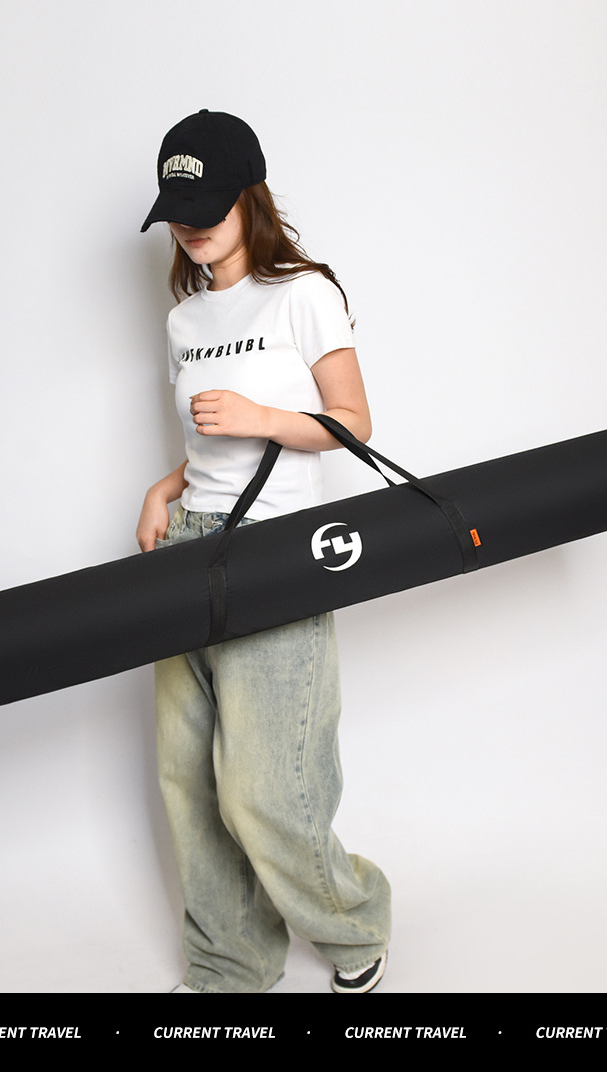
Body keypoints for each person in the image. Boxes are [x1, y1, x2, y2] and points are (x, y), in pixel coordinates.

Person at [136, 109, 390, 994]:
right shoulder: (184, 320)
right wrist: (167, 486)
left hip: (278, 552)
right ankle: (231, 963)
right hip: (188, 546)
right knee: (187, 778)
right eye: (177, 210)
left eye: (207, 207)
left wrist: (263, 417)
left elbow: (354, 424)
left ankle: (354, 926)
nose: (191, 226)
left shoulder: (304, 294)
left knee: (263, 787)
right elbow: (212, 447)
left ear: (251, 196)